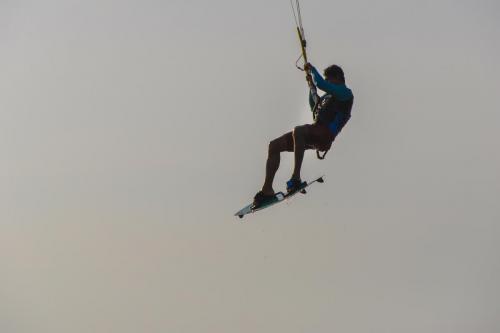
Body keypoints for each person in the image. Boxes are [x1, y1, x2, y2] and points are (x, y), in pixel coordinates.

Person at [252, 62, 354, 207]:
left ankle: (296, 177)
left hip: (325, 136)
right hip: (314, 131)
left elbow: (322, 84)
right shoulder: (329, 96)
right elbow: (314, 108)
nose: (327, 82)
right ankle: (267, 189)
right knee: (273, 146)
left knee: (298, 131)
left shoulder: (345, 93)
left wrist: (312, 70)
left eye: (329, 79)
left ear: (338, 77)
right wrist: (311, 86)